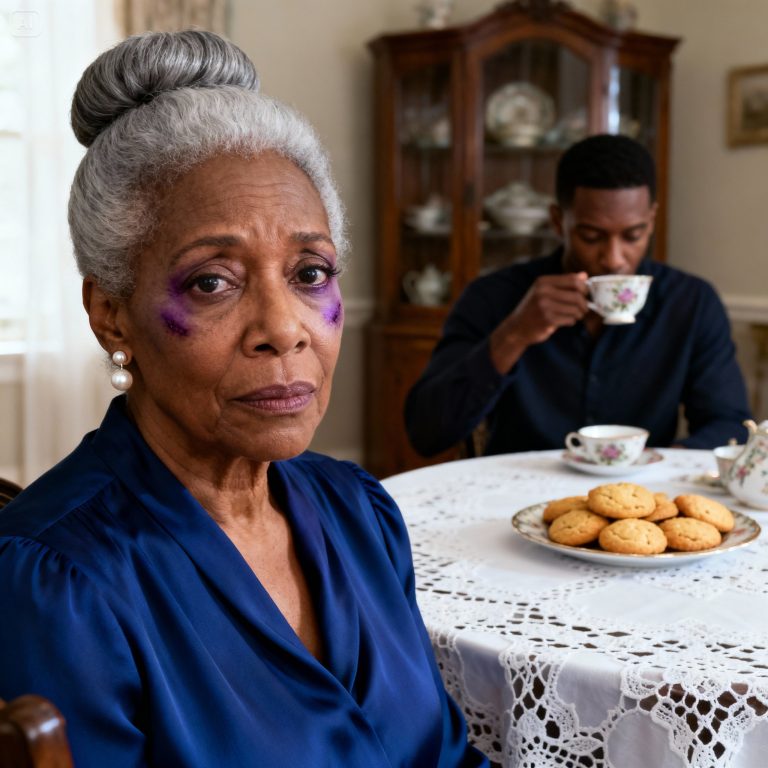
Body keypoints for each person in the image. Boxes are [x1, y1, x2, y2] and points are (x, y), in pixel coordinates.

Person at [0, 31, 488, 768]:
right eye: (211, 282)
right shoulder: (59, 585)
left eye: (310, 272)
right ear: (111, 315)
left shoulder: (362, 512)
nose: (283, 330)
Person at [405, 134, 752, 457]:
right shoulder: (494, 297)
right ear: (558, 222)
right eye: (591, 236)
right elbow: (426, 433)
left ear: (652, 219)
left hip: (640, 506)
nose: (614, 258)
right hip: (514, 500)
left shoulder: (691, 303)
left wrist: (659, 468)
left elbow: (728, 425)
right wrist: (514, 335)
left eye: (633, 235)